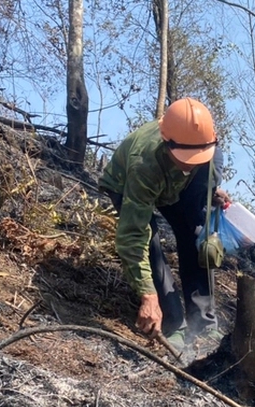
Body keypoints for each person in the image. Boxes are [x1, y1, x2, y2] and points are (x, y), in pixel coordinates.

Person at [98, 98, 229, 346]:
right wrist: (147, 294)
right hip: (129, 184)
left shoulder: (208, 150)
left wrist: (210, 193)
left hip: (174, 188)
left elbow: (200, 184)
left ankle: (203, 323)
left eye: (199, 157)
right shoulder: (144, 164)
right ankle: (172, 323)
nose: (193, 163)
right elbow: (132, 237)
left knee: (195, 233)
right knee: (150, 246)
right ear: (168, 144)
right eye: (186, 158)